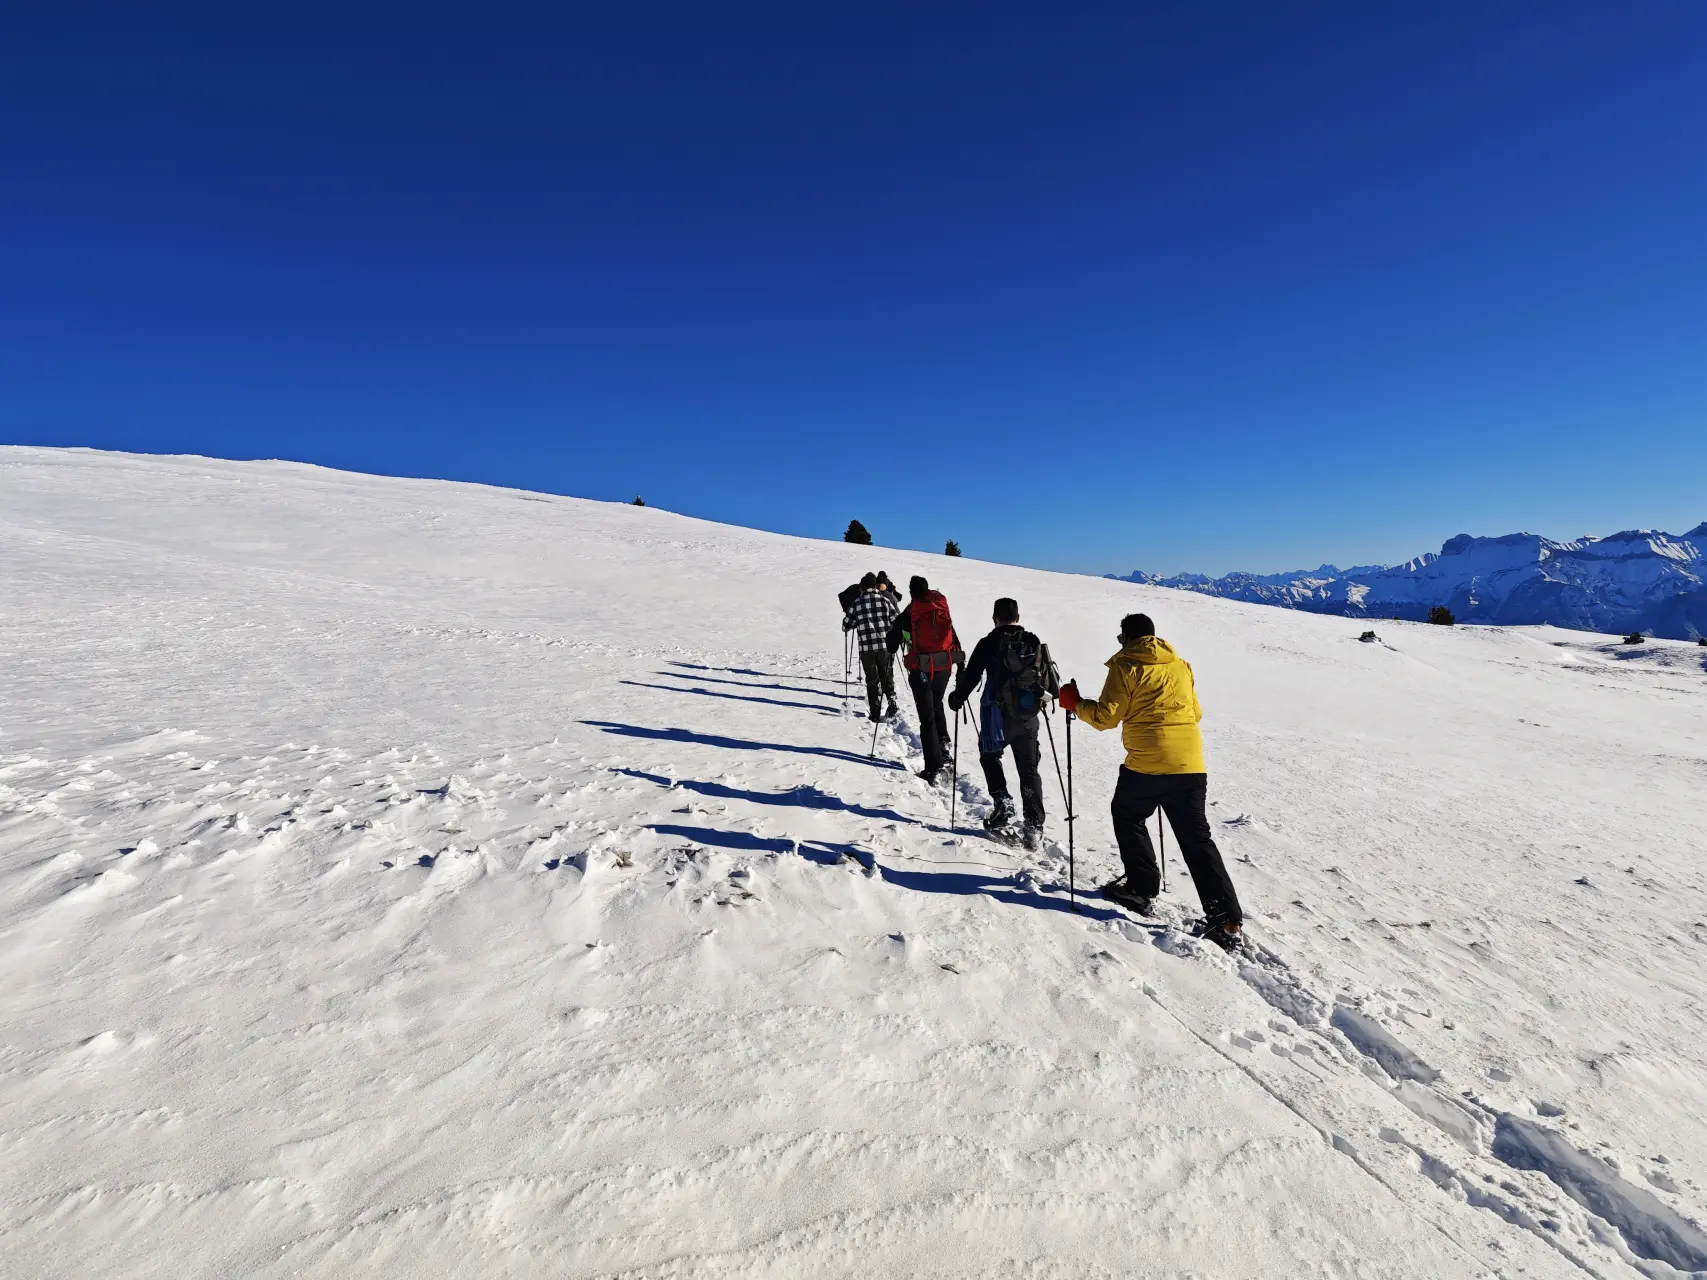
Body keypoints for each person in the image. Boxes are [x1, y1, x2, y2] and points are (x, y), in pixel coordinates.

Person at [1057, 613, 1244, 950]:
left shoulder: (1125, 665)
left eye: (1120, 638)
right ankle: (1225, 918)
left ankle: (1141, 889)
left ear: (1127, 637)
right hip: (1190, 765)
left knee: (1127, 814)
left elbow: (1106, 717)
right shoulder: (1181, 665)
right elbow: (1196, 713)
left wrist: (1075, 704)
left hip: (1146, 764)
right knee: (1197, 840)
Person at [948, 598, 1059, 850]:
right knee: (1029, 770)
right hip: (1028, 716)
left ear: (994, 618)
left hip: (996, 716)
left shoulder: (988, 643)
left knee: (989, 756)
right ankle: (1034, 826)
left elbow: (973, 674)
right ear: (1017, 618)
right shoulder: (1032, 642)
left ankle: (1003, 803)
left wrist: (957, 698)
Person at [886, 575, 961, 783]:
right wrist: (960, 664)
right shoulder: (940, 606)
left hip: (921, 669)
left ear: (911, 593)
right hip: (944, 666)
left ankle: (933, 767)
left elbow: (891, 644)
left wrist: (895, 640)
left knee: (927, 716)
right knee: (937, 704)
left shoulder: (910, 613)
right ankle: (944, 749)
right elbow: (952, 635)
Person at [842, 573, 900, 721]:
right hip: (884, 647)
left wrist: (858, 622)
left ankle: (875, 713)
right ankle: (892, 701)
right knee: (886, 675)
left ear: (862, 587)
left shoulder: (857, 603)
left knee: (872, 680)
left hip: (867, 650)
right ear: (875, 586)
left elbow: (846, 626)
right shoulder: (885, 600)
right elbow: (895, 620)